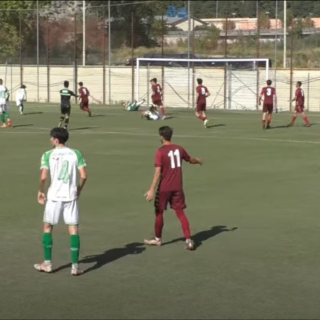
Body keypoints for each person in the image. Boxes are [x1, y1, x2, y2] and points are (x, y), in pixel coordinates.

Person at [34, 127, 87, 276]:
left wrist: (40, 190)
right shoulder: (76, 153)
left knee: (48, 227)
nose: (50, 140)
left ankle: (48, 264)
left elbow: (44, 177)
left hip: (54, 197)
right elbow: (83, 175)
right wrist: (79, 190)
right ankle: (75, 267)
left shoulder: (47, 154)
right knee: (73, 229)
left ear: (56, 140)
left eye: (51, 138)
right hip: (70, 197)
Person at [144, 126, 202, 250]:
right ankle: (189, 240)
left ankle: (158, 239)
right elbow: (190, 160)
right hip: (177, 188)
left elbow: (158, 172)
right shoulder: (179, 149)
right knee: (180, 213)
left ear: (161, 137)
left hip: (164, 188)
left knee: (159, 212)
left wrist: (151, 189)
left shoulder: (160, 151)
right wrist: (197, 160)